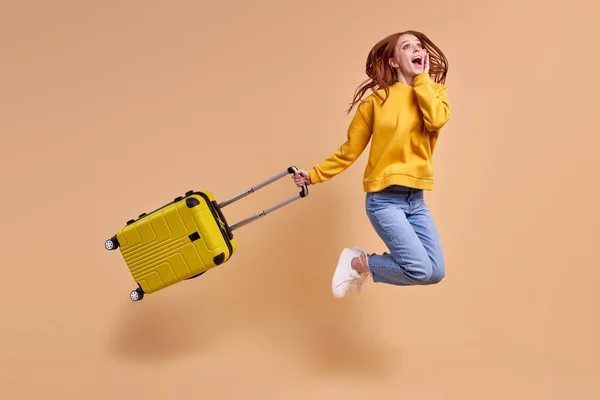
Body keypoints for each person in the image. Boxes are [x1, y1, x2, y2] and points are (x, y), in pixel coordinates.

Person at [292, 30, 451, 298]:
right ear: (393, 61)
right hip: (384, 200)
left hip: (416, 200)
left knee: (435, 272)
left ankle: (360, 263)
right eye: (407, 46)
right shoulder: (376, 102)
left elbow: (435, 120)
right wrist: (314, 175)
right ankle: (357, 263)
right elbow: (349, 150)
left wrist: (422, 81)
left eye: (419, 46)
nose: (416, 50)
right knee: (420, 270)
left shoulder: (435, 93)